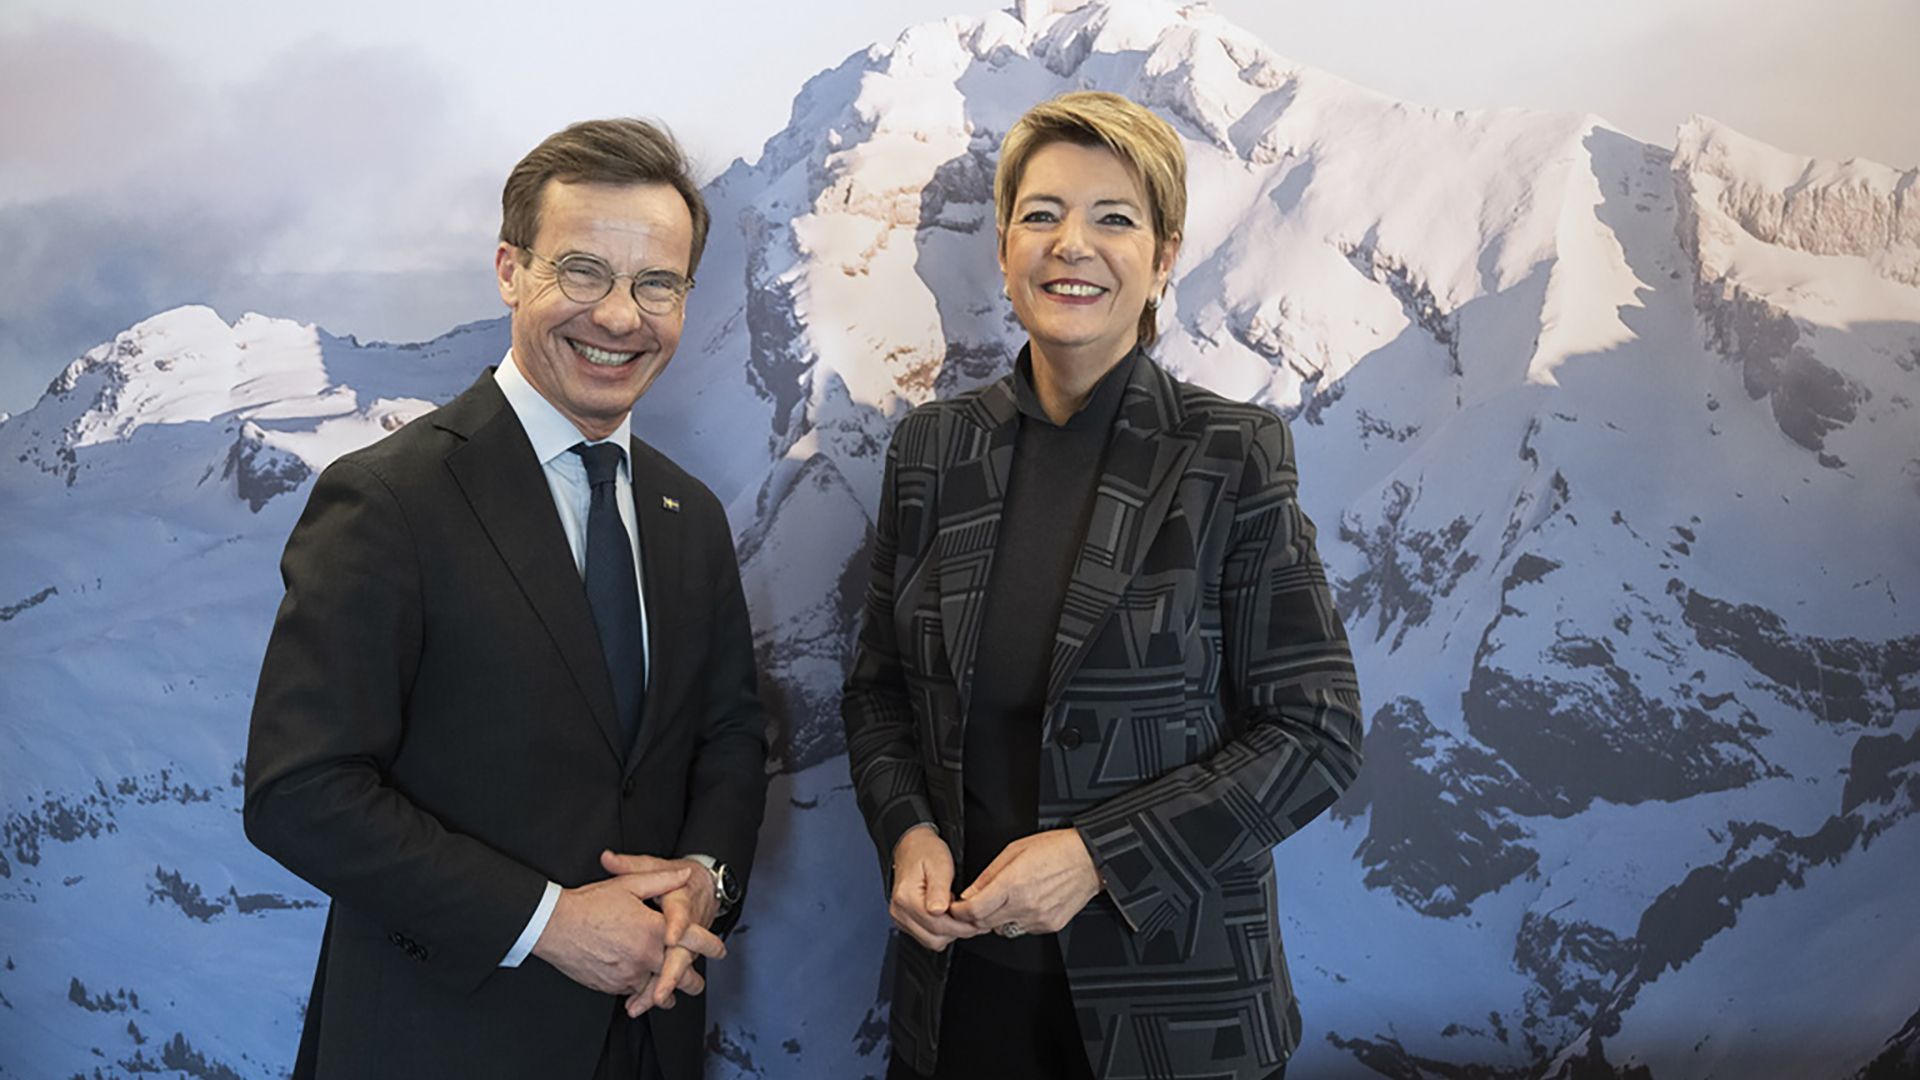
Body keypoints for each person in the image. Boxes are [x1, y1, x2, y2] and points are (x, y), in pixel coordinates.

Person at [842, 91, 1364, 1080]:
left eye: (1113, 217)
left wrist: (1097, 856)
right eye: (1041, 214)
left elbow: (1318, 730)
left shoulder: (1232, 455)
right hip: (960, 1010)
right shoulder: (932, 452)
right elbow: (877, 695)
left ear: (1163, 258)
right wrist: (906, 828)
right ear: (1003, 249)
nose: (1070, 243)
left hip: (1177, 1021)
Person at [245, 117, 768, 1080]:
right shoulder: (389, 498)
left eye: (657, 283)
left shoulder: (687, 514)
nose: (620, 317)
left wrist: (704, 877)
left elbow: (730, 735)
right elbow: (300, 792)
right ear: (508, 271)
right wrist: (550, 923)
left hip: (650, 1038)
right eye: (582, 272)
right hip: (439, 1044)